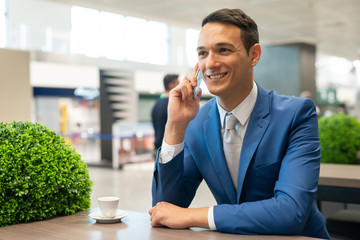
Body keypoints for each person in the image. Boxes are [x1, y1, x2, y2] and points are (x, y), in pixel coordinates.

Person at [148, 8, 330, 239]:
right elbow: (165, 209)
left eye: (223, 50)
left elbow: (291, 212)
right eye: (203, 53)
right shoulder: (198, 122)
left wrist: (193, 216)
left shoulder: (295, 114)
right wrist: (175, 126)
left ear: (254, 55)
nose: (210, 63)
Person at [151, 74, 180, 154]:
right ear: (171, 85)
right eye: (178, 83)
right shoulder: (172, 104)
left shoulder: (157, 104)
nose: (180, 85)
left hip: (157, 149)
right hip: (168, 150)